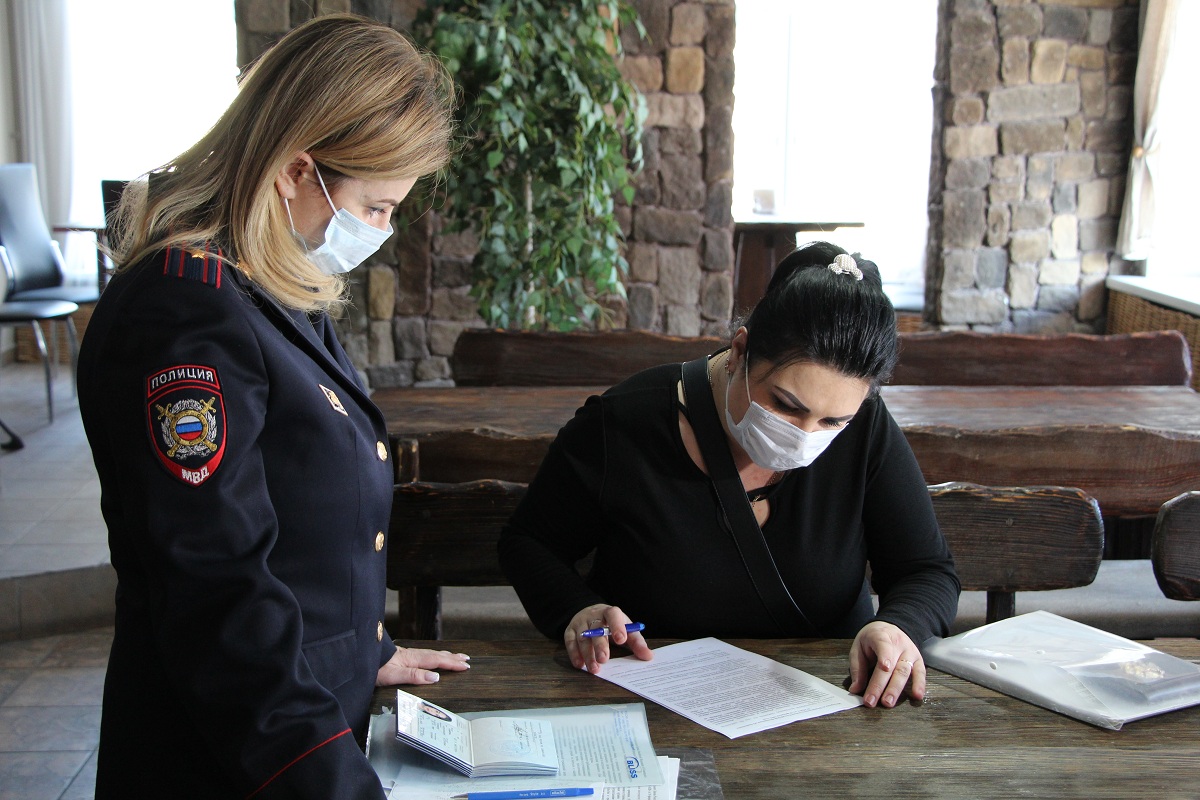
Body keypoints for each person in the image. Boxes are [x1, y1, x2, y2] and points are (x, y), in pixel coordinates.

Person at [78, 15, 470, 798]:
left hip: (302, 714)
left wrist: (362, 648)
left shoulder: (265, 282)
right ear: (296, 172)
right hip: (228, 760)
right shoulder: (184, 315)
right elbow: (217, 590)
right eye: (379, 206)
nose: (382, 232)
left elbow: (301, 520)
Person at [499, 241, 960, 710]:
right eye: (785, 403)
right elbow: (529, 543)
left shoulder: (867, 428)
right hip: (652, 701)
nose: (803, 436)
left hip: (831, 702)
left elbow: (925, 570)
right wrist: (576, 610)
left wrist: (898, 626)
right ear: (740, 350)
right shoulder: (624, 425)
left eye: (831, 422)